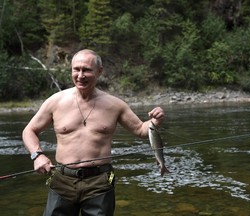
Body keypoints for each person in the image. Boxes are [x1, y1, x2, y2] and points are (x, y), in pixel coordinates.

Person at [22, 49, 164, 216]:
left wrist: (155, 121)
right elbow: (29, 130)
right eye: (76, 69)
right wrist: (37, 155)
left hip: (100, 182)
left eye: (87, 70)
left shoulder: (115, 105)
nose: (80, 75)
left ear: (99, 71)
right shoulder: (56, 101)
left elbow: (141, 129)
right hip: (62, 179)